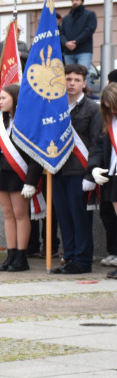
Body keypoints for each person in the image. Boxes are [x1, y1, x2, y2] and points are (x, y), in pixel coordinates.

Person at [0, 84, 42, 273]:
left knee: (21, 215)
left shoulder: (28, 122)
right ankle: (11, 253)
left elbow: (35, 154)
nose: (0, 102)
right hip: (0, 174)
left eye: (4, 98)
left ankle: (21, 256)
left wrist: (31, 181)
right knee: (8, 215)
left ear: (16, 99)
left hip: (19, 174)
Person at [51, 64, 103, 274]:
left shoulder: (92, 109)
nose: (71, 83)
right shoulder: (56, 108)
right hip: (58, 170)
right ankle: (69, 257)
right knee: (63, 217)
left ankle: (82, 260)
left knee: (80, 218)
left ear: (84, 83)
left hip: (80, 172)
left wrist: (91, 173)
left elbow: (97, 143)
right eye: (68, 79)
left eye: (76, 80)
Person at [88, 83, 117, 278]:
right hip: (114, 176)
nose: (112, 110)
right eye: (107, 107)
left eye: (114, 105)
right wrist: (95, 167)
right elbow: (99, 147)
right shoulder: (109, 122)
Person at [60, 0, 97, 67]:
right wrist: (66, 43)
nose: (74, 2)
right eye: (73, 0)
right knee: (70, 75)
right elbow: (61, 34)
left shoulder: (90, 14)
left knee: (83, 73)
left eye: (77, 0)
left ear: (82, 2)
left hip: (84, 51)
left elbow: (89, 30)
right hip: (69, 52)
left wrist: (75, 42)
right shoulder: (66, 18)